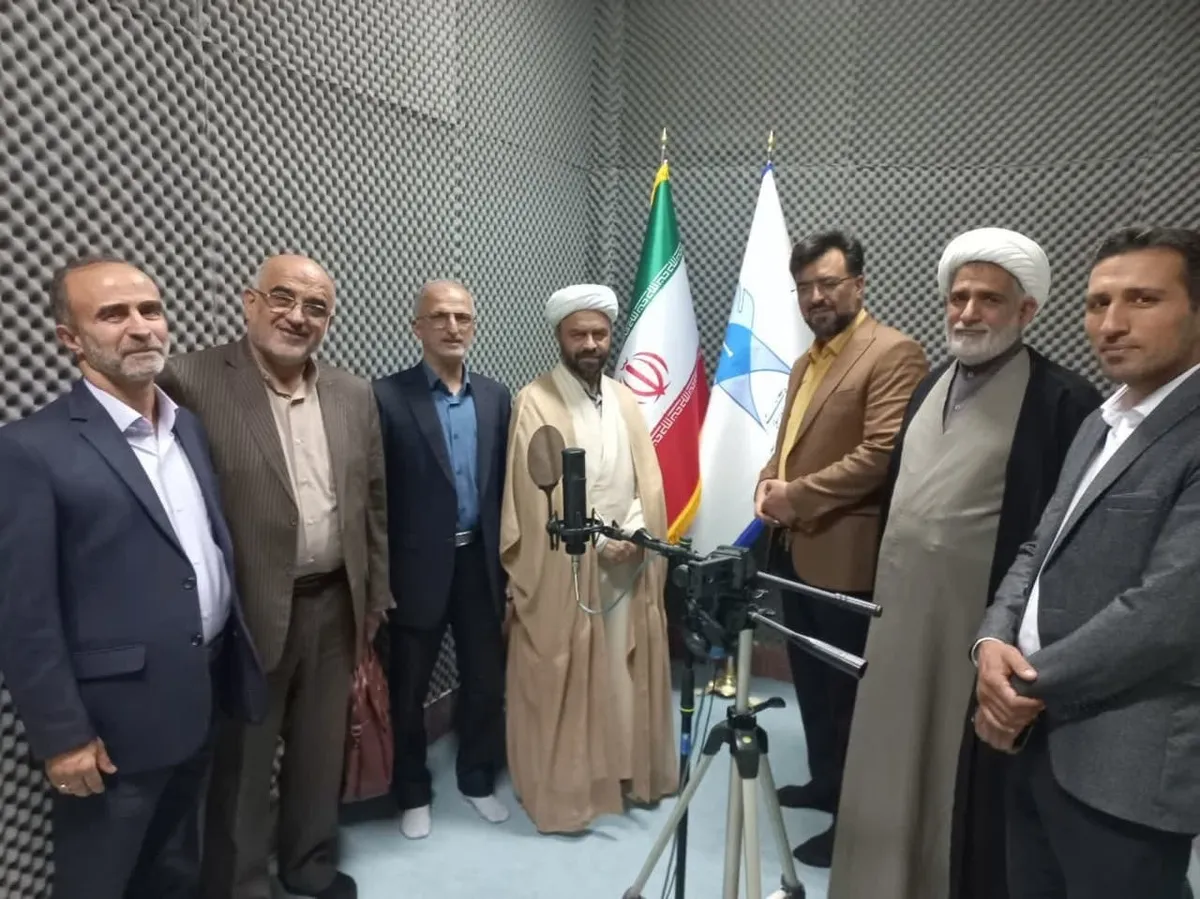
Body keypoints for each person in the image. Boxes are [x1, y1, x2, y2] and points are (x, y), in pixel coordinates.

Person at [826, 228, 1101, 899]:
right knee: (885, 756)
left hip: (980, 640)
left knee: (963, 791)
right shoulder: (927, 388)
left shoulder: (1063, 402)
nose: (968, 312)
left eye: (989, 299)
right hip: (895, 626)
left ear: (1026, 309)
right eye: (958, 297)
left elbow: (1064, 544)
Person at [0, 258, 267, 899]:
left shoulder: (186, 428)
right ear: (70, 339)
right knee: (100, 878)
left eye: (150, 310)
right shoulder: (30, 449)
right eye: (112, 315)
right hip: (112, 726)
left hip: (200, 698)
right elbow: (23, 613)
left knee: (174, 871)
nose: (141, 327)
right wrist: (63, 737)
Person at [974, 226, 1200, 899]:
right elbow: (1036, 548)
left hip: (1127, 766)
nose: (1111, 323)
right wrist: (991, 640)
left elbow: (1166, 612)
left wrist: (1021, 685)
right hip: (1038, 738)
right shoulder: (1102, 421)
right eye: (1098, 303)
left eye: (1142, 299)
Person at [158, 254, 391, 899]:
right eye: (283, 298)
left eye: (316, 307)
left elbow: (372, 503)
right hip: (247, 611)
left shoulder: (354, 393)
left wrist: (374, 597)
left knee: (319, 752)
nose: (298, 316)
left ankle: (308, 864)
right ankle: (240, 885)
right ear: (249, 301)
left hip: (336, 606)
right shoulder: (190, 381)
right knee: (243, 762)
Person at [754, 230, 927, 867]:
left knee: (850, 699)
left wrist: (793, 497)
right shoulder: (807, 361)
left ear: (859, 283)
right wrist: (766, 481)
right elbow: (790, 445)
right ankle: (826, 783)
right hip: (795, 553)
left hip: (848, 559)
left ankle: (853, 825)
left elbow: (880, 456)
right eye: (804, 288)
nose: (816, 297)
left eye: (828, 283)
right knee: (813, 684)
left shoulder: (894, 353)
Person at [499, 283, 678, 833]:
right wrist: (598, 540)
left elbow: (646, 481)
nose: (591, 343)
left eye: (599, 333)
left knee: (622, 673)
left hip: (627, 561)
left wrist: (637, 532)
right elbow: (538, 495)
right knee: (572, 673)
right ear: (560, 336)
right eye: (579, 333)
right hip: (569, 565)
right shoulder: (535, 401)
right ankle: (575, 788)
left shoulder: (625, 399)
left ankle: (624, 773)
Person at [373, 280, 511, 839]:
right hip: (415, 570)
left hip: (480, 564)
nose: (453, 327)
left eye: (462, 317)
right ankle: (411, 790)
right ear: (418, 328)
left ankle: (476, 778)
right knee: (407, 690)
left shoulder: (496, 397)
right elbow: (375, 496)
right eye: (439, 317)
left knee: (485, 681)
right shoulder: (386, 397)